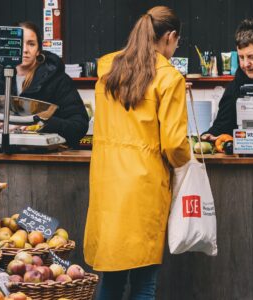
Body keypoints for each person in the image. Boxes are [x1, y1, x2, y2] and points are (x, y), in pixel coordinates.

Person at [83, 6, 190, 300]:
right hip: (143, 189)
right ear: (169, 37)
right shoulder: (170, 79)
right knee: (144, 282)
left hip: (108, 185)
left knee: (112, 278)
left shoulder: (107, 68)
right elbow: (175, 145)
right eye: (177, 42)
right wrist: (187, 163)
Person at [0, 21, 89, 148]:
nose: (25, 50)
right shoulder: (4, 78)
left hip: (50, 155)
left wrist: (41, 123)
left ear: (38, 50)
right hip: (11, 151)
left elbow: (79, 126)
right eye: (19, 43)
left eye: (31, 44)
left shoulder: (58, 80)